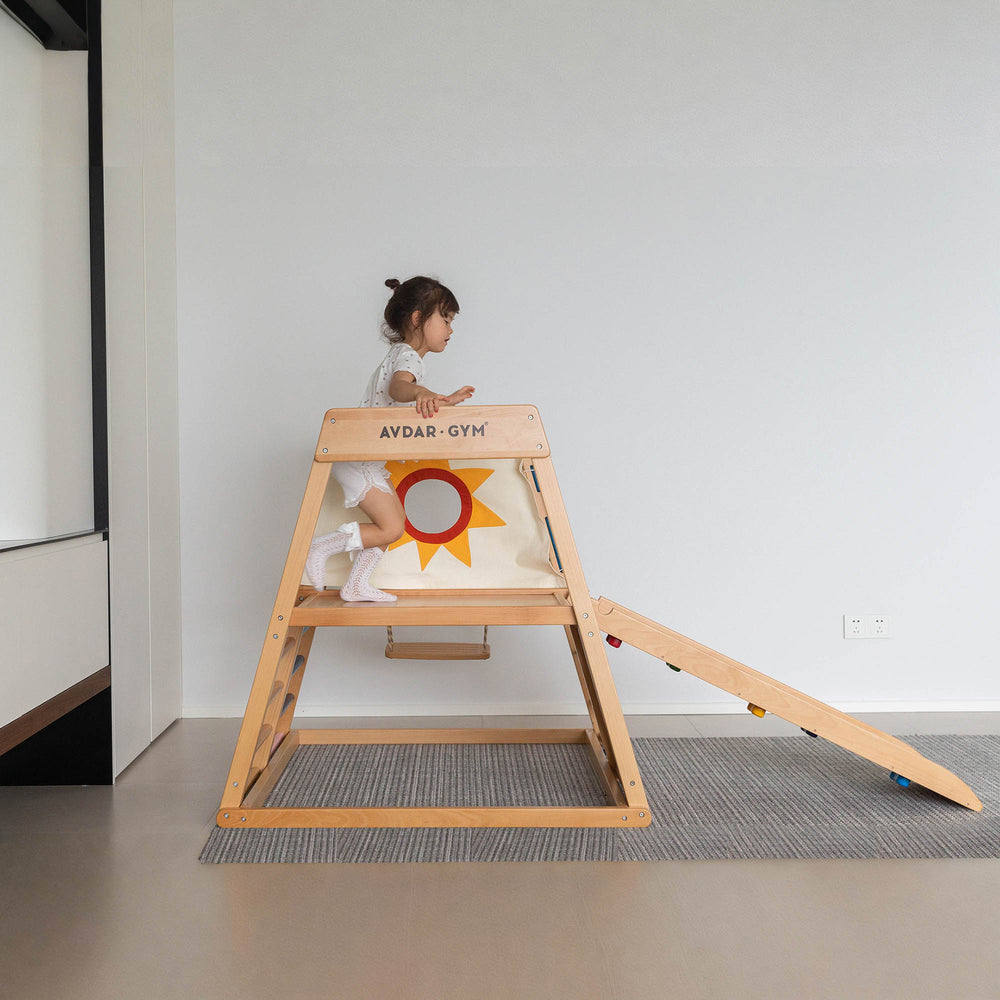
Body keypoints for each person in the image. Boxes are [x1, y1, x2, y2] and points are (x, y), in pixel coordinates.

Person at [305, 276, 475, 601]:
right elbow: (399, 388)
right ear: (417, 318)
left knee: (393, 523)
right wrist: (421, 392)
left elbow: (402, 389)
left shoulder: (403, 354)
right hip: (358, 459)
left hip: (363, 457)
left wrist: (443, 399)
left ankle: (356, 585)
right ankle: (324, 546)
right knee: (392, 528)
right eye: (446, 319)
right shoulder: (409, 357)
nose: (450, 330)